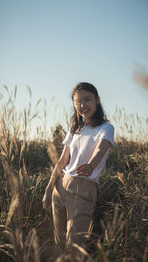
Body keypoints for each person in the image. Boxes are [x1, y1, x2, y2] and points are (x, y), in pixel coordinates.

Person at [42, 82, 114, 250]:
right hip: (60, 188)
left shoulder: (106, 128)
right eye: (78, 102)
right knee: (59, 243)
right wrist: (48, 188)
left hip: (83, 188)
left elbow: (100, 149)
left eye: (87, 99)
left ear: (97, 100)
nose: (83, 105)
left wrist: (90, 165)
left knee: (75, 246)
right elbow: (62, 161)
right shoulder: (75, 129)